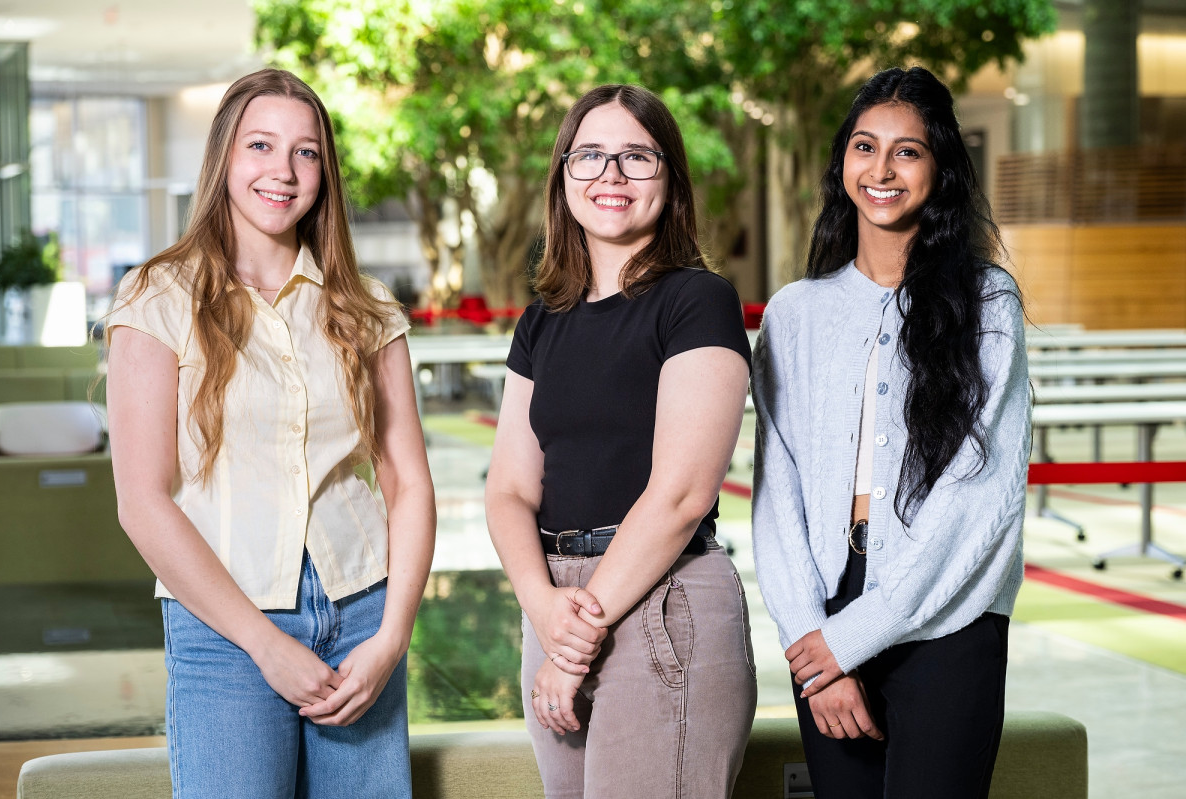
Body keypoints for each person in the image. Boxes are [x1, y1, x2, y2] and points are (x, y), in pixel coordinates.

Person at [106, 68, 435, 798]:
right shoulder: (156, 298)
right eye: (261, 145)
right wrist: (265, 643)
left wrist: (392, 638)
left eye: (306, 151)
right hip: (225, 625)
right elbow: (143, 500)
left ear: (326, 170)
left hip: (362, 613)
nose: (283, 171)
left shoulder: (367, 306)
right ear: (224, 157)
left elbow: (407, 481)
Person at [751, 65, 1031, 798]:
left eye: (907, 151)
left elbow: (979, 496)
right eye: (864, 147)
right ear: (842, 160)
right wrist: (813, 641)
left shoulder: (988, 303)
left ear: (939, 168)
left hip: (949, 621)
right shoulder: (794, 313)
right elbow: (775, 498)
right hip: (825, 615)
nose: (881, 169)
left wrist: (848, 640)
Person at [484, 84, 757, 798]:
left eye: (637, 157)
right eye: (592, 156)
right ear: (563, 174)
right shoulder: (543, 318)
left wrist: (574, 638)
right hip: (555, 600)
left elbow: (681, 494)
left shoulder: (698, 301)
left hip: (661, 599)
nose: (611, 175)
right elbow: (510, 487)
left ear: (669, 180)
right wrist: (545, 608)